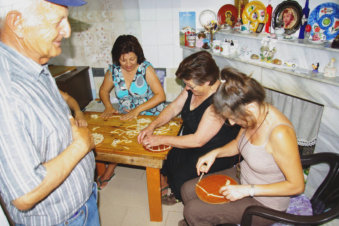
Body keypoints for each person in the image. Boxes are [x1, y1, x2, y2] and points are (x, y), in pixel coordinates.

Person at [0, 0, 100, 225]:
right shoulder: (5, 89)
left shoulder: (36, 65)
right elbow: (25, 195)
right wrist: (80, 146)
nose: (67, 31)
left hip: (83, 204)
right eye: (58, 22)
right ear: (17, 23)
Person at [180, 67, 305, 226]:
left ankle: (199, 219)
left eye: (233, 117)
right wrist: (214, 153)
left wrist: (248, 190)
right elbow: (237, 145)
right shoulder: (251, 115)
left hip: (265, 204)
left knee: (193, 211)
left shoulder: (280, 133)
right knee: (187, 190)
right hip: (243, 177)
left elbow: (297, 186)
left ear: (250, 107)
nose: (232, 123)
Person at [138, 51, 240, 204]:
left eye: (190, 85)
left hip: (215, 151)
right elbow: (173, 108)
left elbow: (198, 140)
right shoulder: (192, 88)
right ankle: (170, 185)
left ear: (207, 82)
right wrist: (152, 125)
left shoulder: (219, 101)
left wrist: (159, 139)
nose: (187, 88)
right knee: (168, 159)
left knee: (181, 180)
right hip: (193, 142)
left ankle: (194, 200)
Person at [97, 34, 166, 189]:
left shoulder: (145, 69)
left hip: (150, 113)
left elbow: (161, 96)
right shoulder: (113, 71)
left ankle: (161, 176)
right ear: (117, 58)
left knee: (149, 142)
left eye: (132, 59)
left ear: (138, 57)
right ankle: (111, 167)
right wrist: (108, 106)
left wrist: (138, 110)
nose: (128, 64)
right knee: (117, 139)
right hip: (126, 114)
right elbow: (103, 91)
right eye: (123, 60)